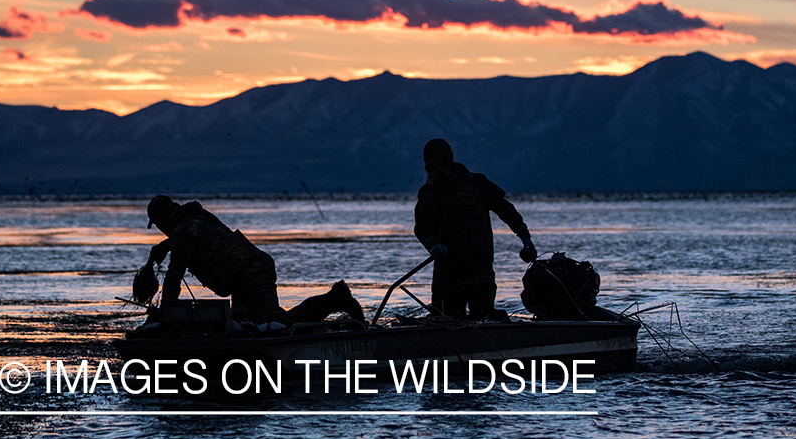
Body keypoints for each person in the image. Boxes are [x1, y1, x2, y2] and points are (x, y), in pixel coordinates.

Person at [141, 195, 365, 326]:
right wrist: (165, 246)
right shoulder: (197, 216)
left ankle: (335, 299)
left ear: (161, 219)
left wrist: (165, 313)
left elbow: (173, 277)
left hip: (250, 274)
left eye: (158, 225)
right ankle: (333, 301)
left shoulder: (183, 234)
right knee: (247, 325)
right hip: (248, 272)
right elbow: (200, 238)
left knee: (275, 325)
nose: (160, 230)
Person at [413, 138, 537, 320]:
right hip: (447, 272)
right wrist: (433, 245)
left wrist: (525, 238)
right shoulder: (427, 194)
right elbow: (422, 226)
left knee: (484, 316)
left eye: (433, 159)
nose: (429, 164)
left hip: (479, 268)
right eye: (427, 160)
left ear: (445, 159)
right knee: (444, 319)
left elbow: (505, 210)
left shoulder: (476, 184)